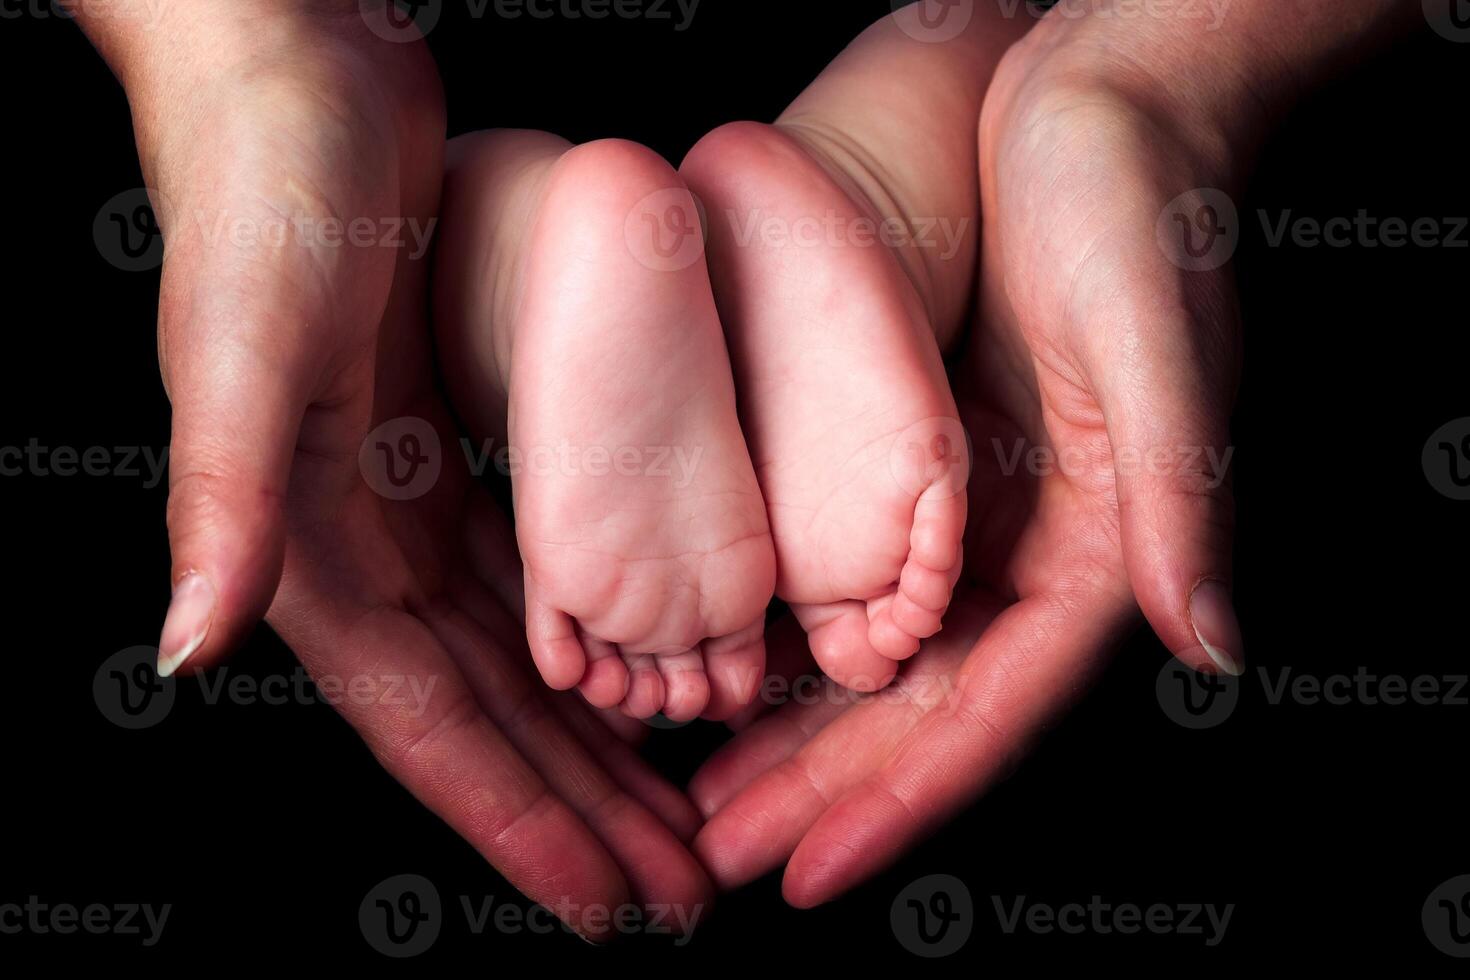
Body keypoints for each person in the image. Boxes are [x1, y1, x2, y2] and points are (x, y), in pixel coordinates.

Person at [74, 0, 1419, 933]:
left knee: (433, 232)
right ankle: (858, 209)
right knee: (967, 50)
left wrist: (241, 47)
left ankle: (535, 258)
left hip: (398, 136)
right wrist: (1141, 68)